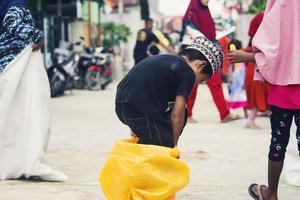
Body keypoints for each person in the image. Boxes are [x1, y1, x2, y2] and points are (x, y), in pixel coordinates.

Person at [229, 0, 300, 199]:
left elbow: (273, 52)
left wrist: (245, 56)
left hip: (283, 86)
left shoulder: (282, 4)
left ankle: (271, 193)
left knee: (278, 140)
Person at [0, 0, 67, 181]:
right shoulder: (14, 3)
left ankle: (15, 164)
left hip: (8, 66)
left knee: (13, 116)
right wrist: (37, 34)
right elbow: (13, 23)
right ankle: (27, 163)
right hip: (17, 66)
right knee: (28, 113)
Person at [116, 36, 223, 147]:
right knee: (166, 140)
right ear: (200, 65)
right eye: (201, 80)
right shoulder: (188, 73)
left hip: (120, 105)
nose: (197, 83)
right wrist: (173, 147)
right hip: (138, 110)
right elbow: (178, 115)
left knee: (153, 135)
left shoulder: (164, 60)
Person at [182, 0, 240, 123]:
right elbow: (190, 29)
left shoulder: (206, 11)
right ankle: (187, 114)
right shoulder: (193, 9)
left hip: (208, 51)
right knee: (192, 84)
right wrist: (207, 42)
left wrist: (213, 41)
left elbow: (210, 31)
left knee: (216, 82)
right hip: (195, 51)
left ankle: (225, 114)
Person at [245, 12, 269, 129]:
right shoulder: (263, 17)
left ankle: (251, 119)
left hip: (255, 64)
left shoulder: (252, 43)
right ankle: (250, 120)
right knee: (258, 92)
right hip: (257, 65)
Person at [227, 39, 248, 117]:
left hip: (239, 81)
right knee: (237, 96)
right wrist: (230, 78)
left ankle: (245, 113)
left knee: (238, 96)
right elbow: (231, 68)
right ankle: (244, 113)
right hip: (236, 81)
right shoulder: (237, 57)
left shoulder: (238, 57)